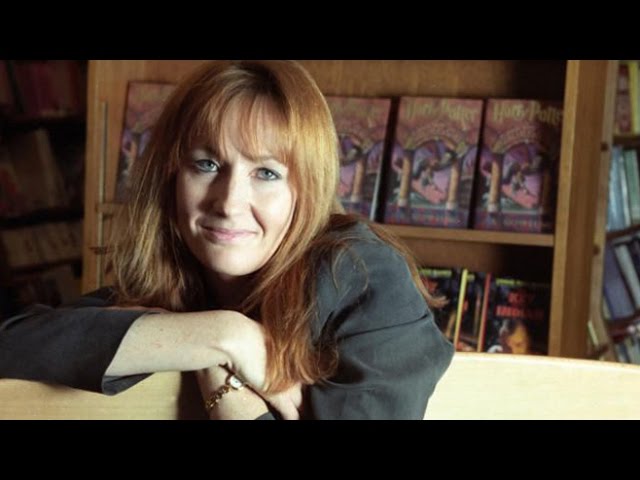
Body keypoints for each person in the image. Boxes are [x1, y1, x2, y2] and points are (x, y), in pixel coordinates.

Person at [0, 60, 454, 420]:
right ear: (171, 178)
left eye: (267, 173)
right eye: (207, 165)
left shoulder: (364, 277)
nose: (229, 202)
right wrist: (225, 335)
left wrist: (224, 388)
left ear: (306, 189)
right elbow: (13, 344)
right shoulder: (176, 279)